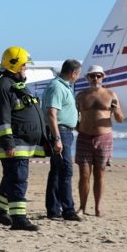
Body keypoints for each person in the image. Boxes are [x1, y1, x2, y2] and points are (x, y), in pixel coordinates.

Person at [0, 46, 46, 231]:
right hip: (15, 144)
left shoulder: (16, 86)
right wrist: (8, 143)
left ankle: (0, 212)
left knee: (10, 178)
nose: (25, 69)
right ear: (14, 65)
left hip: (23, 143)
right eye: (24, 66)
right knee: (18, 179)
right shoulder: (2, 87)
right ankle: (19, 218)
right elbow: (1, 119)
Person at [75, 65, 124, 216]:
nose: (95, 78)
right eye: (92, 76)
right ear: (87, 78)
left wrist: (115, 110)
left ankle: (98, 207)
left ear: (103, 77)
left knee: (99, 173)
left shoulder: (111, 94)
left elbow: (120, 119)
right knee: (84, 174)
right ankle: (82, 207)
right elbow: (74, 116)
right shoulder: (81, 96)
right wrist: (79, 128)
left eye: (98, 75)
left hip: (104, 138)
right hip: (84, 137)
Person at [42, 59, 82, 221]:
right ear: (73, 73)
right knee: (65, 169)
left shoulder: (63, 86)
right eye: (78, 74)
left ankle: (54, 208)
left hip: (65, 131)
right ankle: (68, 209)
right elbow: (52, 113)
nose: (77, 77)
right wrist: (57, 138)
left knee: (58, 170)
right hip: (60, 132)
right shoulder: (57, 87)